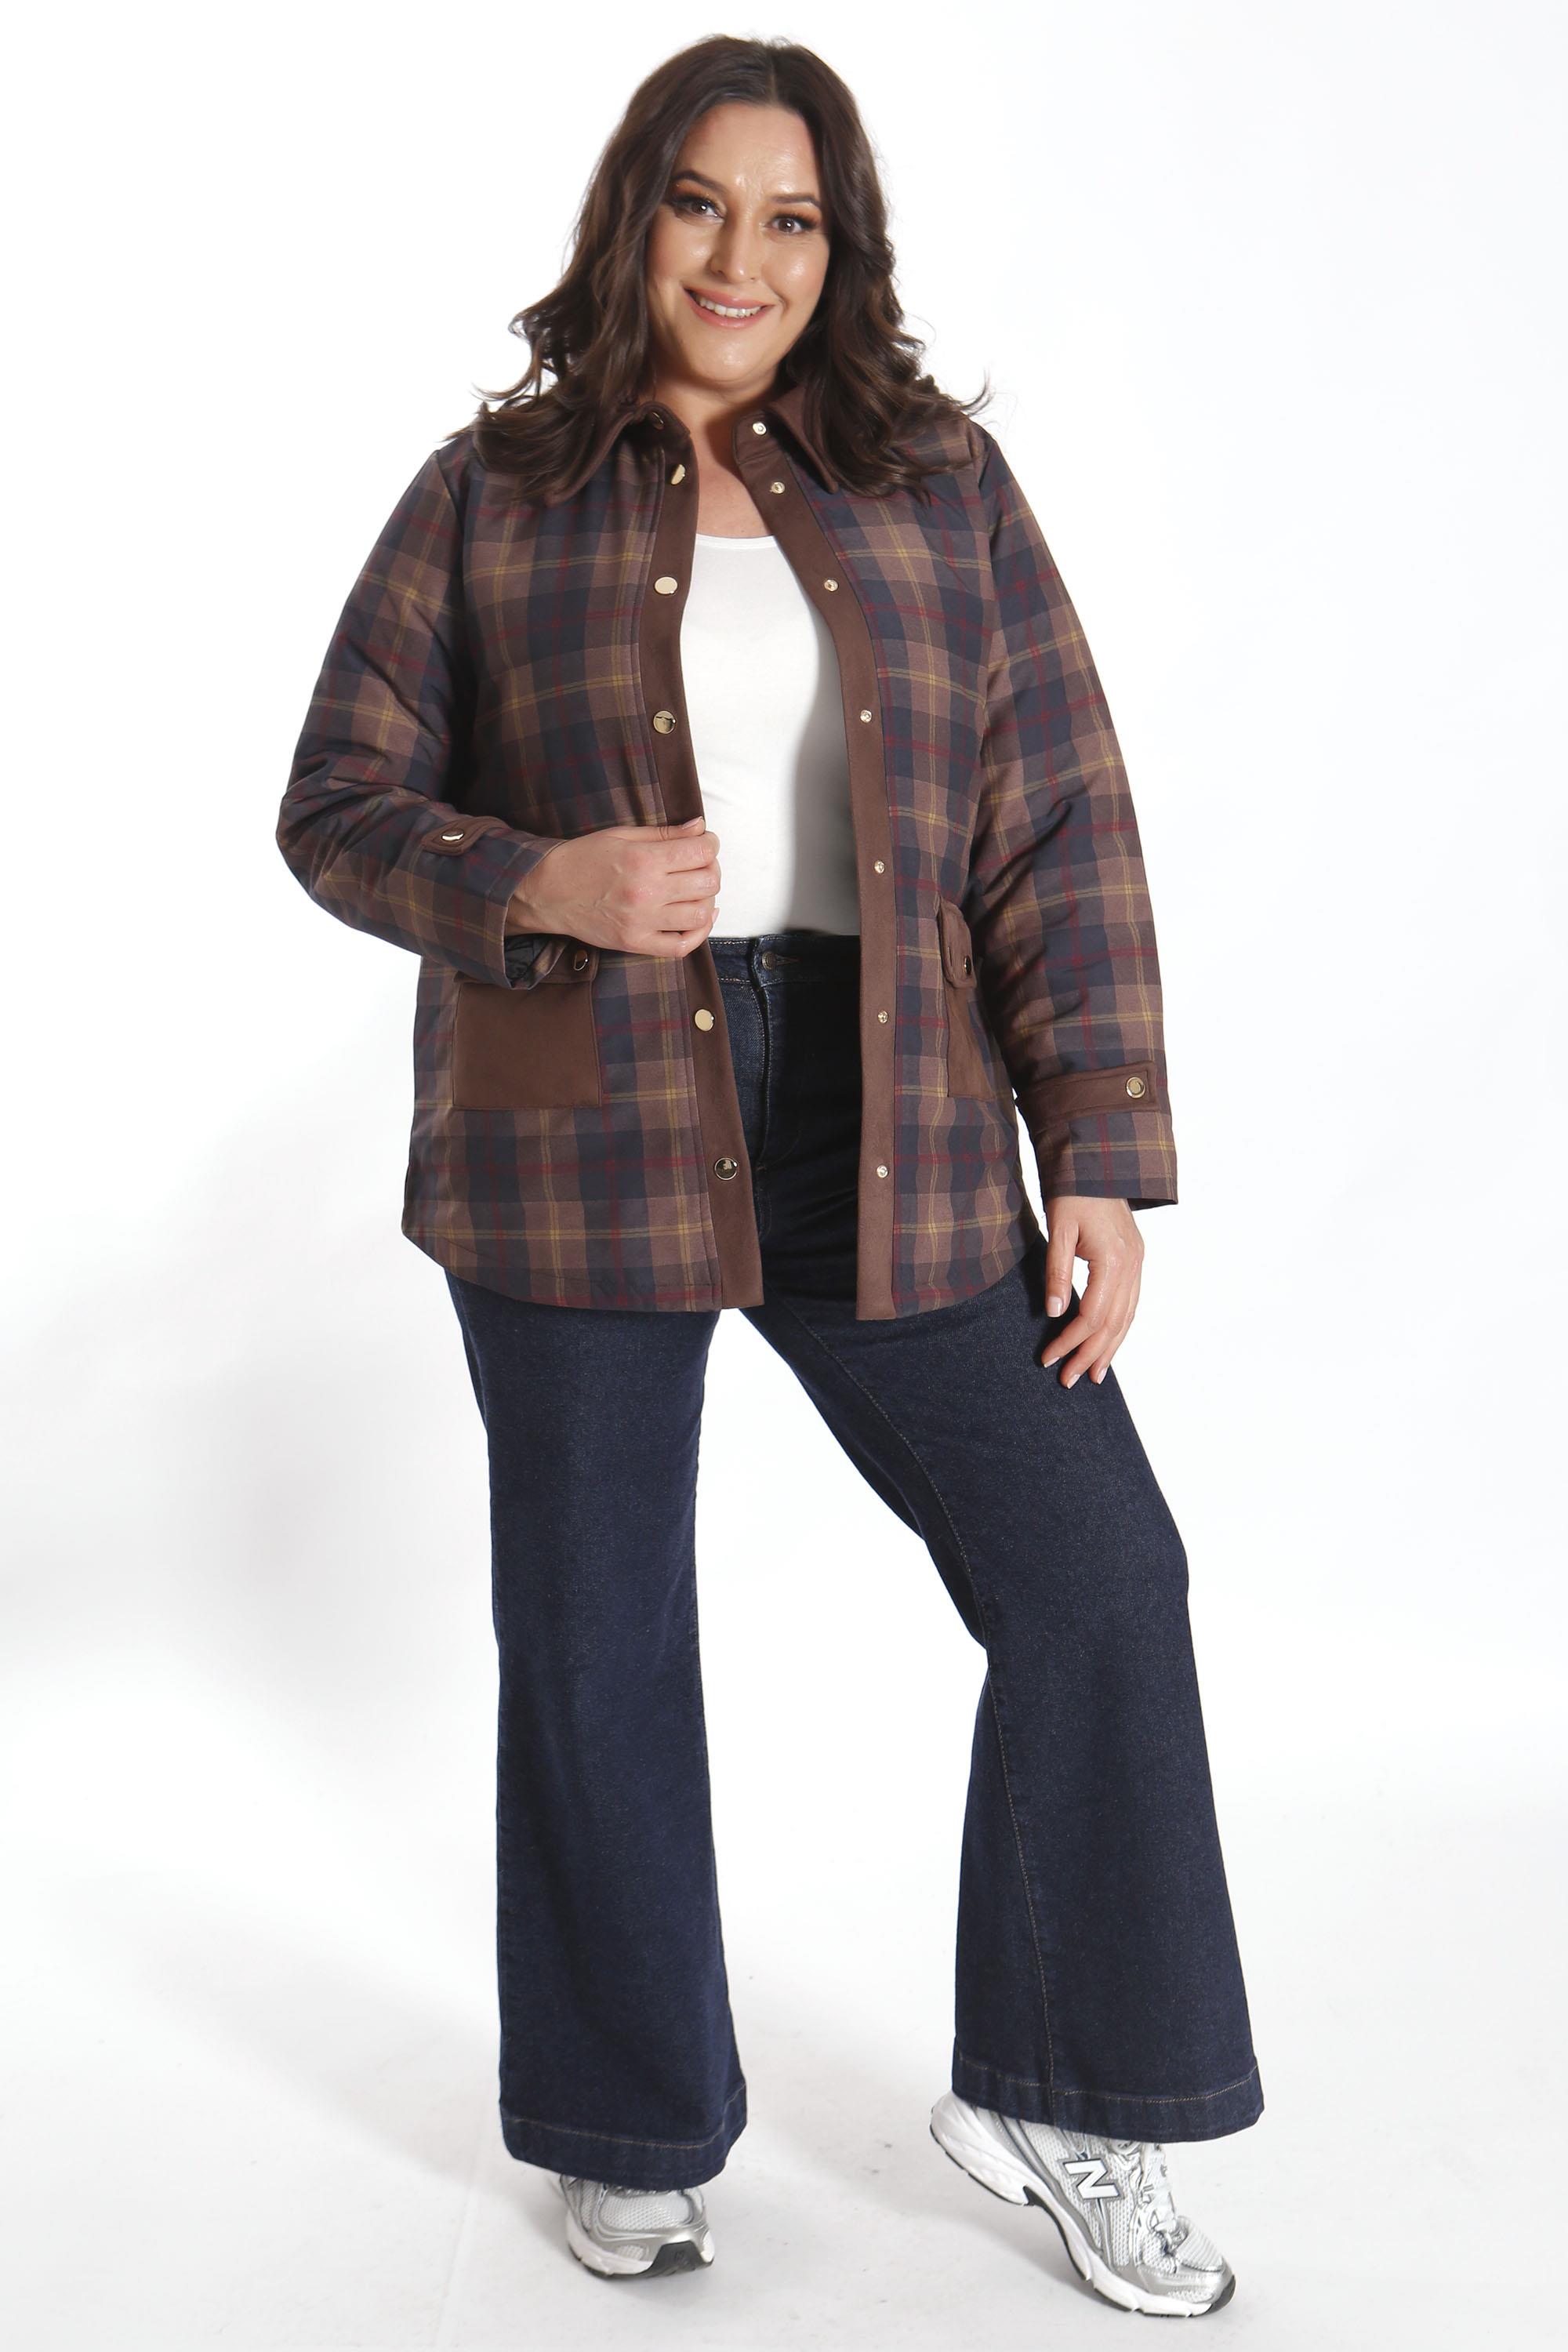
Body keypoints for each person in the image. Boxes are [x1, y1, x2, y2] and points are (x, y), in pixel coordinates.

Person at [276, 34, 1261, 2320]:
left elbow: (1056, 822)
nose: (743, 257)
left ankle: (1067, 2094)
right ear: (635, 217)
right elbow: (334, 800)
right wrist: (542, 881)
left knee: (1100, 1576)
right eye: (701, 204)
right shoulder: (490, 493)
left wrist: (1098, 1151)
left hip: (888, 1099)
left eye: (792, 217)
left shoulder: (939, 490)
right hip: (575, 1121)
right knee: (599, 1629)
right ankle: (628, 2121)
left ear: (844, 248)